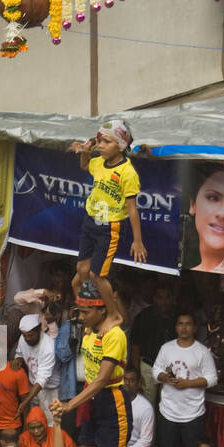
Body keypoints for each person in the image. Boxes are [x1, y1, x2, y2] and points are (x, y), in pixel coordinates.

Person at [50, 282, 130, 447]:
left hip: (109, 401)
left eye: (85, 313)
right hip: (90, 401)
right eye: (80, 311)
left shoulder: (114, 334)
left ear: (101, 310)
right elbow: (78, 280)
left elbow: (102, 380)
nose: (80, 318)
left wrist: (70, 405)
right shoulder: (88, 329)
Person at [70, 117, 146, 315]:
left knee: (97, 275)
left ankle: (113, 314)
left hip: (109, 227)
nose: (101, 146)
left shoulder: (127, 173)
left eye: (107, 142)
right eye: (99, 141)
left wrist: (137, 241)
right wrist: (85, 152)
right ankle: (88, 305)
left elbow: (132, 209)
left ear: (120, 145)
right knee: (81, 269)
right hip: (90, 221)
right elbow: (85, 166)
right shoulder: (99, 163)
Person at [153, 313, 218, 447]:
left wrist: (188, 383)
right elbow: (156, 370)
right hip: (168, 409)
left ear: (195, 328)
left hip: (192, 411)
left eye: (188, 324)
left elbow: (212, 378)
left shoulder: (202, 351)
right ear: (175, 327)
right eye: (180, 324)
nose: (184, 327)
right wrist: (166, 378)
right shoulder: (166, 348)